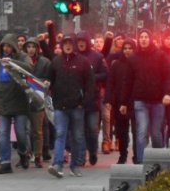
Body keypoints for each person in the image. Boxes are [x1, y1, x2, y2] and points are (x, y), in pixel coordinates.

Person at [123, 29, 170, 163]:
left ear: (150, 39)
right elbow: (128, 82)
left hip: (158, 101)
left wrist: (168, 94)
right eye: (141, 37)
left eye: (146, 37)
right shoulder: (133, 58)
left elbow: (169, 77)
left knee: (156, 133)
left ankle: (158, 160)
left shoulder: (161, 56)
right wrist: (124, 102)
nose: (143, 39)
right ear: (139, 40)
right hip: (140, 101)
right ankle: (141, 162)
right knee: (142, 132)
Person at [47, 34, 94, 178]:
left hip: (77, 106)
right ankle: (58, 164)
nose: (68, 46)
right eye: (65, 43)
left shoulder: (84, 62)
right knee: (60, 134)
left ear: (74, 45)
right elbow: (50, 79)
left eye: (70, 43)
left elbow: (90, 85)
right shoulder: (56, 62)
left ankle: (75, 165)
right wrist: (47, 84)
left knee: (77, 136)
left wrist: (83, 102)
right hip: (60, 105)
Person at [0, 34, 33, 174]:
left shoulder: (22, 57)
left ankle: (23, 153)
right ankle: (5, 163)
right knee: (3, 133)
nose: (6, 49)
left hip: (20, 102)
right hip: (4, 102)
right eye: (4, 46)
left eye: (9, 46)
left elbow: (29, 68)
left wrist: (13, 63)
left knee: (21, 133)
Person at [76, 31, 108, 165]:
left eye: (83, 41)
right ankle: (81, 157)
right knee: (80, 130)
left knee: (93, 129)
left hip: (93, 99)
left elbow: (105, 74)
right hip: (77, 100)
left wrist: (91, 78)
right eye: (79, 41)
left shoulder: (97, 57)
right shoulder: (73, 56)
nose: (81, 44)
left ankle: (93, 151)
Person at [105, 39, 137, 164]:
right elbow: (110, 83)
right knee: (121, 131)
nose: (127, 51)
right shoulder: (116, 65)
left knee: (136, 131)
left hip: (134, 101)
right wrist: (108, 99)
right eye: (125, 48)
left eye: (130, 48)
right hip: (119, 102)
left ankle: (137, 155)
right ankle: (123, 155)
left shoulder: (138, 63)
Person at [22, 37, 52, 168]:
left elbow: (50, 77)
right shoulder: (20, 61)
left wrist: (47, 82)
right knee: (23, 130)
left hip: (38, 99)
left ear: (37, 48)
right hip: (23, 100)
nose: (31, 49)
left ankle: (38, 155)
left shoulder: (45, 62)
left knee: (37, 130)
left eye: (33, 47)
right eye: (28, 47)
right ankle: (25, 154)